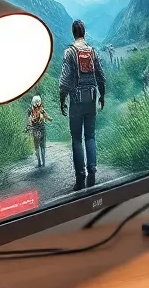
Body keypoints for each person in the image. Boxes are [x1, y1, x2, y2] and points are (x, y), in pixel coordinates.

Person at [59, 20, 106, 190]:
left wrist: (62, 100)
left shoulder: (69, 52)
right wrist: (102, 96)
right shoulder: (92, 52)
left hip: (76, 101)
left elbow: (64, 81)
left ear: (73, 33)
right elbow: (101, 76)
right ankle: (92, 173)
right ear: (84, 33)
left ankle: (80, 177)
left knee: (77, 139)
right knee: (90, 136)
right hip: (92, 99)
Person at [25, 95, 52, 168]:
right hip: (39, 129)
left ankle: (40, 163)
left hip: (37, 129)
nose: (37, 103)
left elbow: (29, 120)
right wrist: (50, 119)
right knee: (41, 146)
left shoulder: (33, 110)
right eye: (36, 102)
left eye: (38, 101)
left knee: (38, 146)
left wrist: (27, 127)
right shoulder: (38, 109)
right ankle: (42, 163)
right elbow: (47, 117)